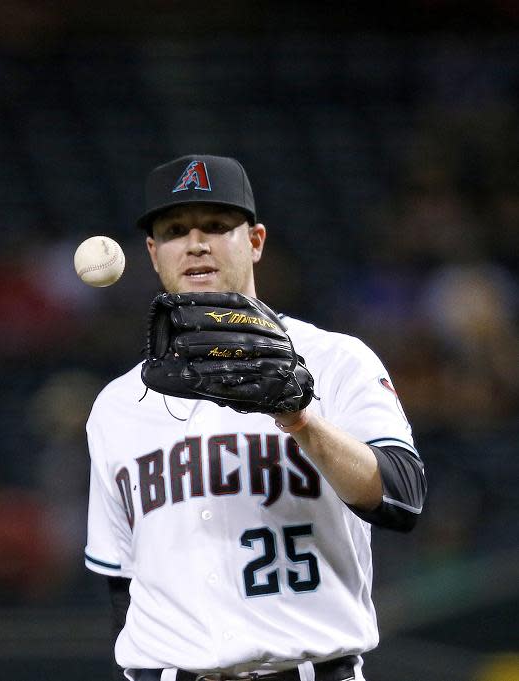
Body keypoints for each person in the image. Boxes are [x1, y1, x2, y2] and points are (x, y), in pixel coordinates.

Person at [84, 155, 427, 681]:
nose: (196, 243)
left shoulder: (334, 360)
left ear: (257, 241)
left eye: (217, 226)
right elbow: (121, 587)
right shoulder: (116, 405)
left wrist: (301, 420)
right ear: (153, 253)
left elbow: (401, 496)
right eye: (175, 231)